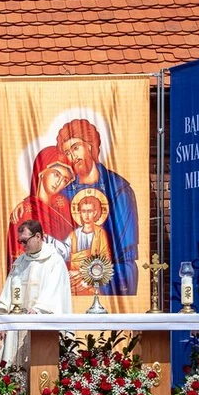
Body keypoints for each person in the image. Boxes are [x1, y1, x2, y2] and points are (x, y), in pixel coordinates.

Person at [57, 118, 138, 295]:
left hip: (105, 289)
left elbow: (128, 261)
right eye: (67, 153)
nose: (73, 157)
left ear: (90, 147)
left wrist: (93, 278)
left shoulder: (119, 191)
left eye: (76, 148)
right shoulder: (63, 196)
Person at [0, 220, 73, 368]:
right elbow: (8, 292)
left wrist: (38, 309)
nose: (22, 245)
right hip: (17, 325)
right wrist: (2, 317)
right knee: (15, 371)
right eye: (20, 241)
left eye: (25, 241)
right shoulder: (20, 262)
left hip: (40, 325)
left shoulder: (54, 261)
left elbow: (54, 292)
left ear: (38, 236)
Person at [7, 146, 76, 262]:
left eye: (65, 180)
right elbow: (18, 251)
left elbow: (74, 242)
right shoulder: (24, 210)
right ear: (42, 172)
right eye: (56, 174)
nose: (59, 182)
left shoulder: (64, 206)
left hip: (62, 271)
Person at [67, 193, 115, 295]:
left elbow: (106, 261)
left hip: (92, 280)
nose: (86, 215)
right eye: (84, 211)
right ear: (79, 213)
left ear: (95, 212)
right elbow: (66, 259)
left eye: (90, 211)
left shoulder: (100, 233)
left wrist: (85, 275)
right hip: (73, 283)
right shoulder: (73, 235)